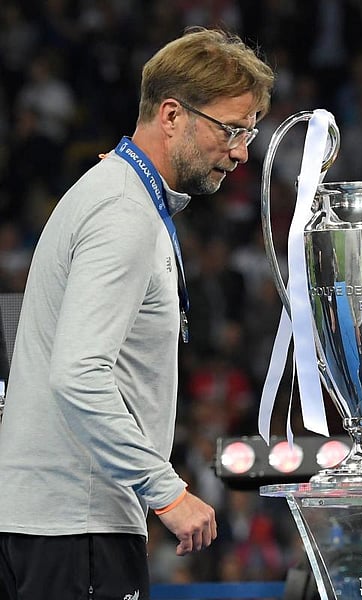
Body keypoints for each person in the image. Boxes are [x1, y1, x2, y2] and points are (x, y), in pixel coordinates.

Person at [0, 27, 274, 600]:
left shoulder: (116, 195)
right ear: (172, 115)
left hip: (61, 520)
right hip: (76, 525)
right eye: (232, 129)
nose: (242, 151)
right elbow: (77, 372)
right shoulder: (122, 210)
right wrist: (165, 491)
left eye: (248, 133)